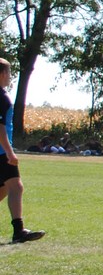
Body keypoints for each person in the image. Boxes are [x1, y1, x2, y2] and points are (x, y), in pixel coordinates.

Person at [0, 60, 44, 244]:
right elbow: (0, 129)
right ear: (3, 74)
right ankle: (18, 231)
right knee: (15, 187)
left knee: (4, 189)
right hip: (1, 152)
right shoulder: (2, 98)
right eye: (9, 73)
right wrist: (9, 152)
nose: (10, 77)